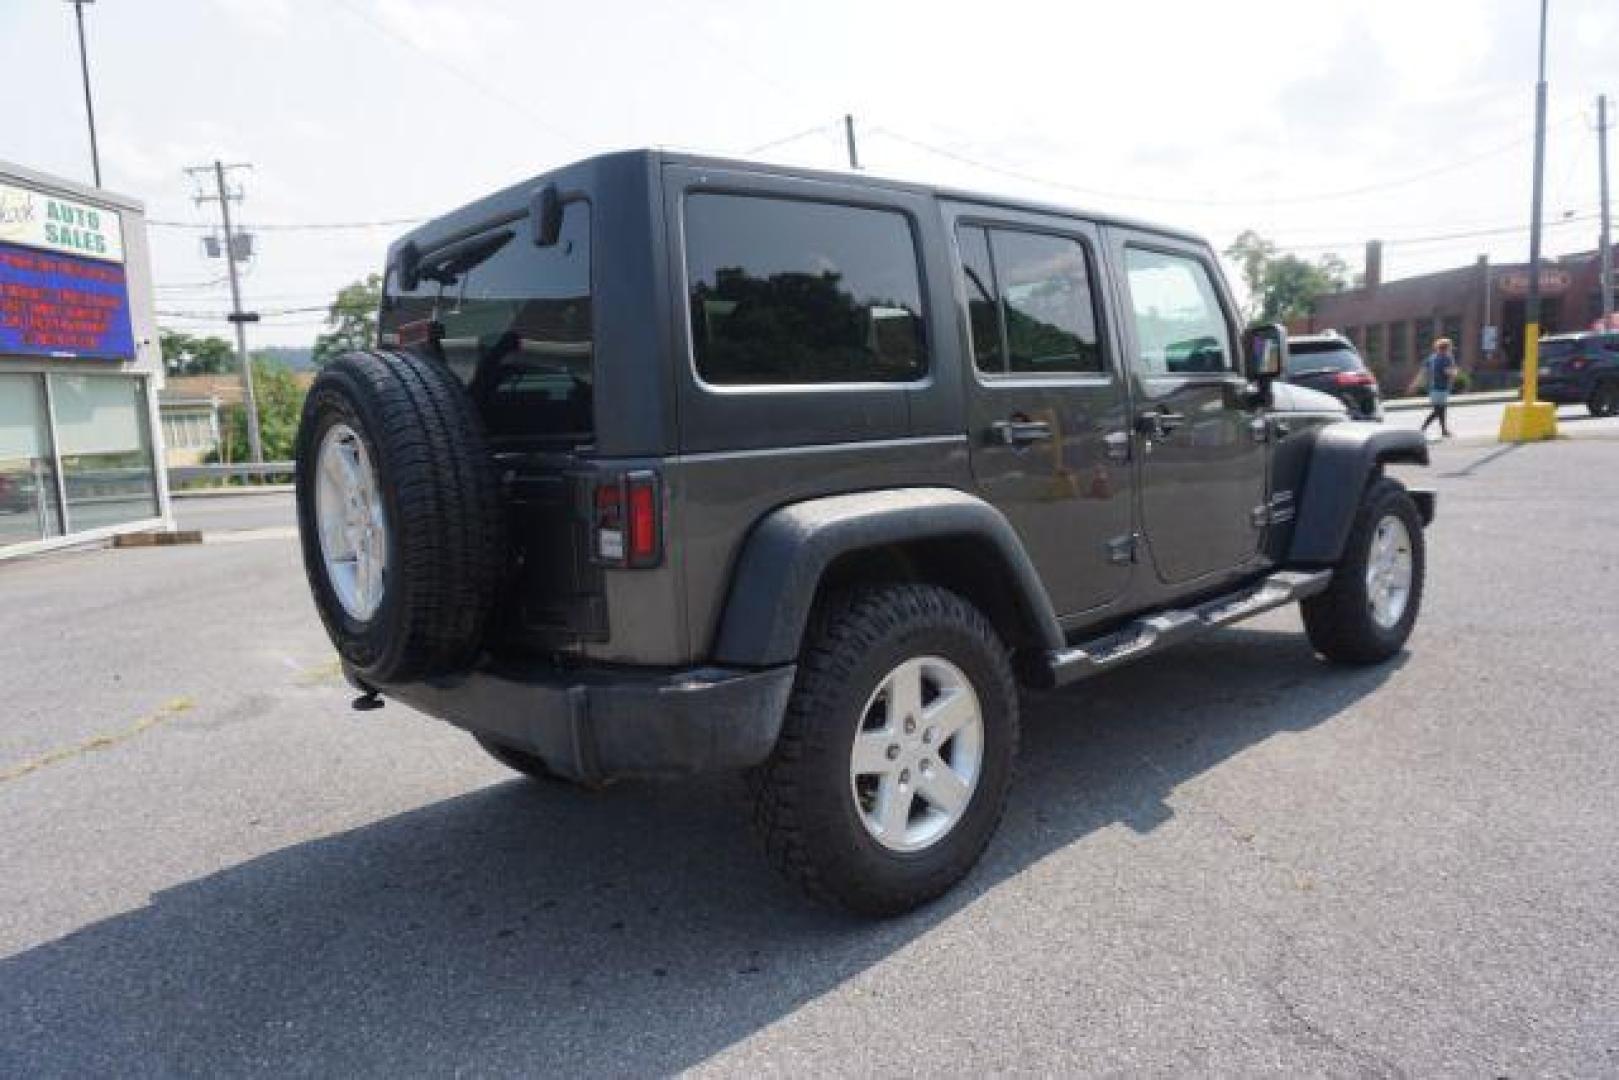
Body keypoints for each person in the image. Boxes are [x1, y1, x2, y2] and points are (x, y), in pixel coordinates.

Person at [1419, 338, 1458, 438]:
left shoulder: (1433, 357)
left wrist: (1418, 383)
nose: (1451, 349)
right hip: (1441, 388)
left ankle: (1444, 430)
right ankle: (1423, 428)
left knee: (1441, 410)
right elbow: (1448, 372)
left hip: (1433, 388)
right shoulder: (1446, 358)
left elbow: (1424, 369)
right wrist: (1455, 371)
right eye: (1450, 347)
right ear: (1446, 348)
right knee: (1438, 411)